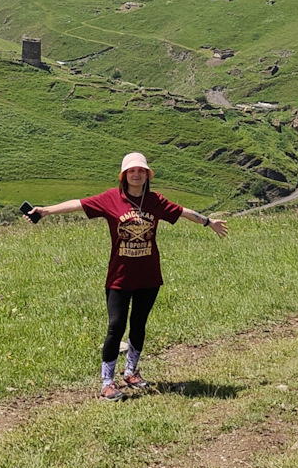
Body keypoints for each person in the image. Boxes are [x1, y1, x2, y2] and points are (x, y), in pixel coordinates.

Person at [21, 152, 227, 400]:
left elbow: (182, 211)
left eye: (141, 170)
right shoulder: (111, 198)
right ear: (124, 175)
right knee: (116, 327)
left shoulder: (154, 201)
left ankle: (131, 372)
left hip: (149, 276)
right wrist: (44, 211)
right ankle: (107, 382)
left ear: (147, 175)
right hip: (119, 277)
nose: (137, 174)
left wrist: (208, 222)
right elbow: (79, 203)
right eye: (132, 171)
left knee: (139, 325)